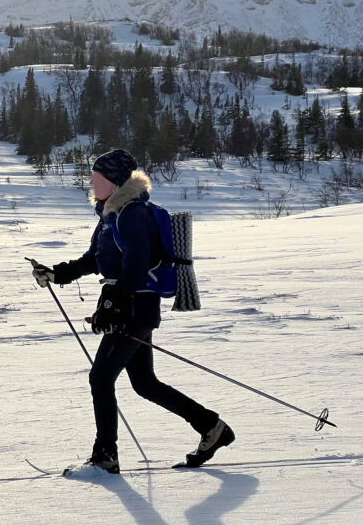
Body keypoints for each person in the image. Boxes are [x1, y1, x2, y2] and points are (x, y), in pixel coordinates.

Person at [31, 149, 234, 473]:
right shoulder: (112, 214)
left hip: (135, 307)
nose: (91, 182)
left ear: (114, 181)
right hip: (131, 306)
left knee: (101, 378)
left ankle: (105, 457)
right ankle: (212, 427)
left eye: (97, 178)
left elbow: (137, 267)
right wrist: (57, 273)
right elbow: (95, 258)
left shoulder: (133, 214)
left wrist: (113, 301)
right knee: (144, 383)